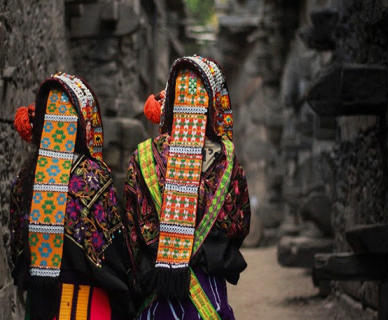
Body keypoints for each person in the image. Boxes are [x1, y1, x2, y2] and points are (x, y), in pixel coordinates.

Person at [123, 56, 251, 319]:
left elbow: (132, 231)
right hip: (208, 287)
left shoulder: (144, 156)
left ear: (169, 101)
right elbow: (237, 225)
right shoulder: (226, 159)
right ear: (214, 102)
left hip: (158, 290)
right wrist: (208, 248)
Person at [10, 73, 133, 320]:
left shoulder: (26, 177)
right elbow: (110, 251)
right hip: (86, 304)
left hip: (40, 305)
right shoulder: (93, 176)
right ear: (83, 124)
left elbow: (18, 252)